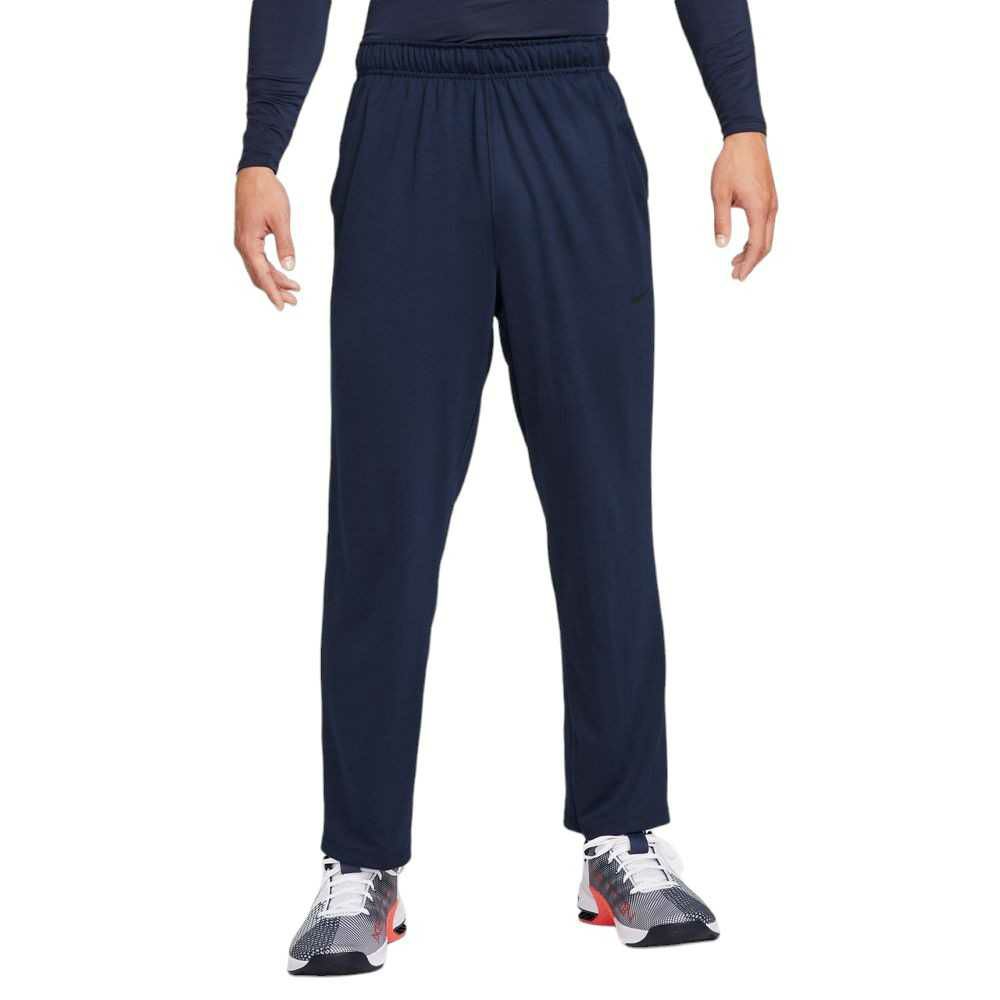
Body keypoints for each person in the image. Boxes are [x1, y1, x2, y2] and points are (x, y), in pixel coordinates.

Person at [234, 0, 777, 976]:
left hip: (569, 103)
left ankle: (623, 834)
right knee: (383, 517)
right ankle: (359, 859)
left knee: (603, 501)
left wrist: (741, 118)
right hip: (405, 117)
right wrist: (261, 147)